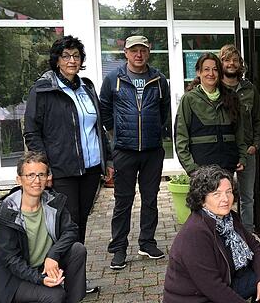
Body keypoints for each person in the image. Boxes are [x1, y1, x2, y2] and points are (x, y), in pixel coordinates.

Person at [23, 35, 108, 294]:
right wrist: (43, 169)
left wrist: (109, 160)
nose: (72, 60)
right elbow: (32, 131)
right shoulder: (43, 89)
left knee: (80, 224)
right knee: (65, 227)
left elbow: (98, 128)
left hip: (90, 169)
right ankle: (56, 280)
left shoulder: (87, 87)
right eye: (66, 56)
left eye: (76, 56)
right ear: (57, 60)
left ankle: (74, 280)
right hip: (62, 171)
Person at [163, 165, 260, 303]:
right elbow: (213, 288)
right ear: (202, 199)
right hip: (198, 298)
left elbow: (256, 248)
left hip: (226, 282)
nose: (226, 199)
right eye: (217, 194)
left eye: (229, 192)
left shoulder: (229, 218)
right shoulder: (195, 233)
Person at [100, 35, 171, 270]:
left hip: (152, 151)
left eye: (142, 50)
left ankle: (147, 243)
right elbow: (105, 110)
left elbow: (164, 111)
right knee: (123, 201)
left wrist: (155, 133)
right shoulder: (113, 79)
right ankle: (119, 248)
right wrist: (116, 133)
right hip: (124, 150)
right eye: (133, 50)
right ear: (126, 53)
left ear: (148, 51)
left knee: (150, 199)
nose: (138, 54)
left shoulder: (159, 79)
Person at [0, 152, 86, 303]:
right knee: (55, 296)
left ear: (47, 178)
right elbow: (11, 260)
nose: (36, 181)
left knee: (77, 250)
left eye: (41, 175)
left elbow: (71, 230)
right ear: (19, 180)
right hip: (14, 279)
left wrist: (53, 255)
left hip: (42, 266)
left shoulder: (53, 202)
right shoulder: (6, 213)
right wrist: (41, 279)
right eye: (30, 175)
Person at [175, 52, 247, 175]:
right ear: (198, 72)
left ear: (219, 73)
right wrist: (191, 167)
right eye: (206, 69)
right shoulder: (189, 99)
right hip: (201, 169)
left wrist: (242, 157)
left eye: (215, 70)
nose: (211, 74)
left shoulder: (231, 97)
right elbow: (181, 136)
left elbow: (239, 132)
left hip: (227, 165)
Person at [219, 44, 260, 233]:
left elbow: (259, 119)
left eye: (235, 60)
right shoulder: (216, 89)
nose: (231, 63)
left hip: (247, 150)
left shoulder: (249, 89)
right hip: (225, 151)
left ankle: (248, 234)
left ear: (240, 64)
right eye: (227, 60)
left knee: (248, 196)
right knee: (223, 195)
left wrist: (255, 144)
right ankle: (225, 233)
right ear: (221, 62)